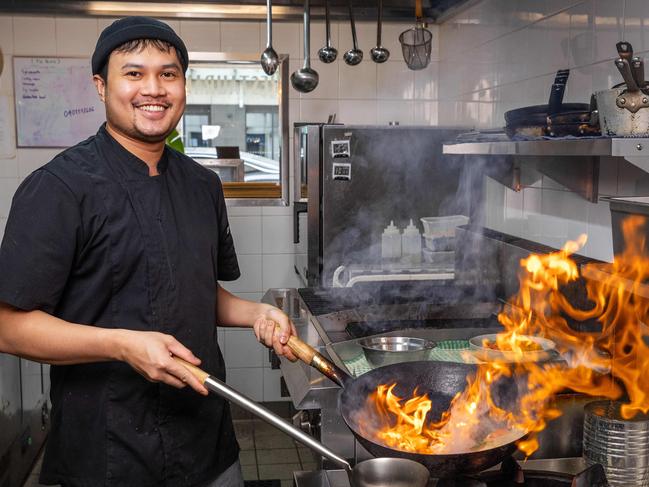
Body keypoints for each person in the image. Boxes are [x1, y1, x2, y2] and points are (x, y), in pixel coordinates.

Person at [0, 16, 297, 487]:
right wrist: (122, 344)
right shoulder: (58, 188)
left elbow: (198, 291)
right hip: (107, 453)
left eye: (168, 73)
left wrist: (257, 312)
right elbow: (8, 327)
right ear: (101, 86)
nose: (153, 89)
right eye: (134, 73)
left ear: (183, 84)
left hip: (207, 444)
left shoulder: (202, 186)